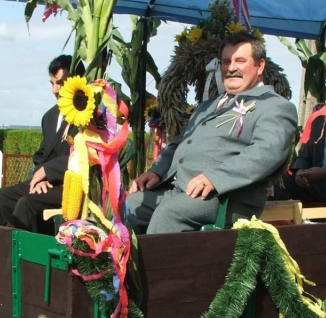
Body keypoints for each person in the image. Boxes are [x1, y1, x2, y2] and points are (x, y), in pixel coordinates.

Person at [126, 31, 298, 234]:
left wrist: (215, 178)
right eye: (226, 62)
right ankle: (125, 265)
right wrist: (157, 171)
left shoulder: (274, 105)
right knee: (133, 204)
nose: (231, 68)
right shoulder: (208, 105)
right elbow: (180, 142)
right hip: (181, 190)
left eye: (240, 61)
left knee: (169, 213)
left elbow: (266, 154)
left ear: (259, 66)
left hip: (226, 197)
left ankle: (157, 266)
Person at [0, 54, 84, 233]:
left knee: (27, 203)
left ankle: (13, 257)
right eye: (52, 83)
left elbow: (86, 155)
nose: (55, 90)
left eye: (60, 83)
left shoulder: (88, 116)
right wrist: (39, 176)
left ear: (77, 82)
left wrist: (49, 172)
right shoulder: (50, 117)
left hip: (71, 185)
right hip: (44, 182)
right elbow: (40, 156)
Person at [272, 74, 326, 206]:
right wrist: (300, 171)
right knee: (280, 180)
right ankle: (273, 225)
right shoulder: (319, 118)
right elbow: (304, 154)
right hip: (316, 181)